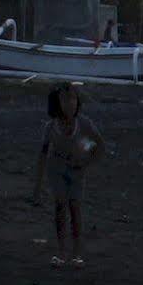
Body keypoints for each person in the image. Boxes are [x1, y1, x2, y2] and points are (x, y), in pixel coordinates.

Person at [33, 84, 105, 265]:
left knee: (75, 208)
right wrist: (38, 185)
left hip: (77, 170)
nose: (70, 104)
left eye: (73, 99)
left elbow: (99, 146)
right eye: (65, 100)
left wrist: (85, 162)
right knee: (59, 206)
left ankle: (77, 253)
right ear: (57, 103)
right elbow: (42, 155)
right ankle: (61, 251)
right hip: (56, 168)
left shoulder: (85, 124)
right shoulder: (51, 127)